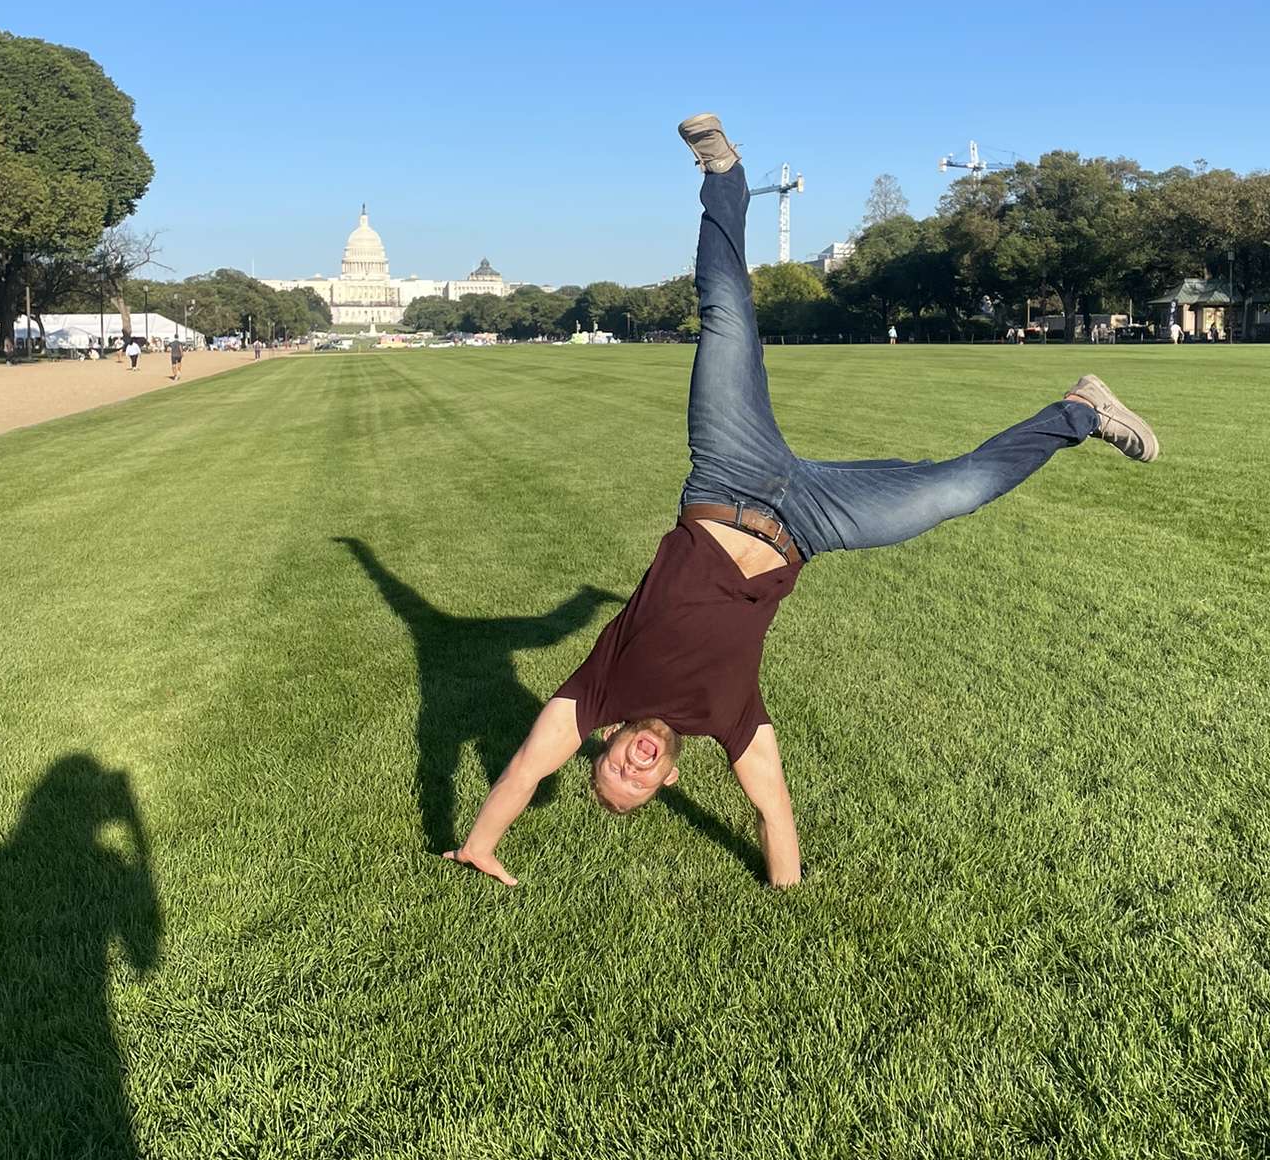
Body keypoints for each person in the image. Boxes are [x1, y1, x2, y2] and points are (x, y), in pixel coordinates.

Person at [444, 114, 1160, 891]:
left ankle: (722, 177)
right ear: (669, 781)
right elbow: (773, 812)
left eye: (616, 766)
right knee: (958, 489)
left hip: (724, 479)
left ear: (608, 745)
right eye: (638, 783)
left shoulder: (595, 695)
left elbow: (520, 771)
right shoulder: (733, 723)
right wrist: (787, 892)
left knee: (724, 317)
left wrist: (481, 844)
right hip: (814, 522)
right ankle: (1082, 411)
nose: (632, 765)